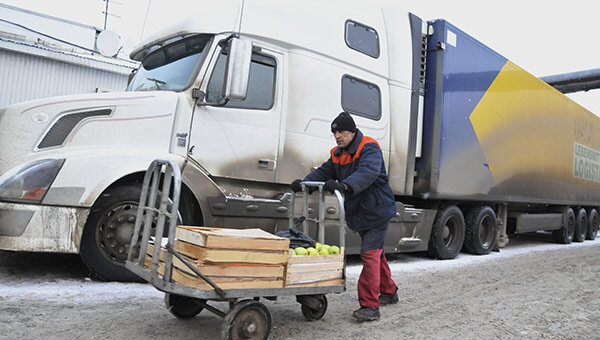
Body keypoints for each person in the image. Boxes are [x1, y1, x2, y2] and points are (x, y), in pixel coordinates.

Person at [291, 111, 399, 321]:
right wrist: (305, 184)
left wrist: (344, 185)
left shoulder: (369, 147)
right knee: (376, 253)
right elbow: (324, 172)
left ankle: (370, 306)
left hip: (377, 210)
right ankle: (389, 292)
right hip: (361, 211)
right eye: (334, 132)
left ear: (352, 131)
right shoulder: (338, 153)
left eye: (341, 131)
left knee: (369, 253)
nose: (337, 135)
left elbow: (368, 172)